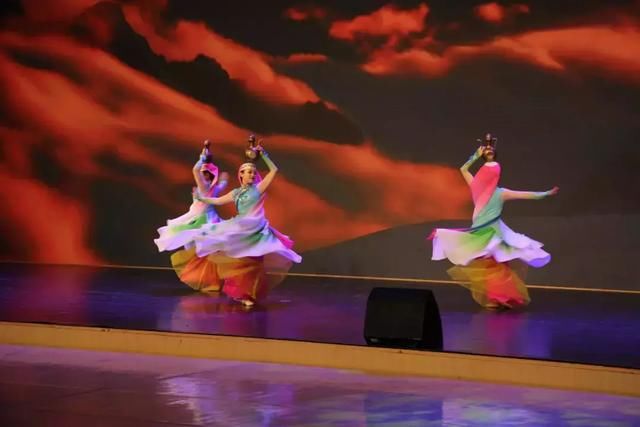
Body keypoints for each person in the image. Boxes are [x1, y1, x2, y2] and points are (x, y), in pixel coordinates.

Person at [430, 134, 558, 309]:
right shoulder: (475, 187)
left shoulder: (501, 193)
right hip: (479, 232)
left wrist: (545, 194)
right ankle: (498, 297)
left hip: (495, 232)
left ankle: (500, 297)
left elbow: (526, 195)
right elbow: (463, 170)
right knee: (488, 266)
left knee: (497, 264)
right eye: (487, 150)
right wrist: (475, 156)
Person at [189, 136, 302, 307]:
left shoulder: (258, 189)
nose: (252, 174)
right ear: (241, 174)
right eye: (249, 172)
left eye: (254, 172)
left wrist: (264, 155)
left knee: (255, 263)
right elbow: (217, 201)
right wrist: (202, 198)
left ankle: (249, 293)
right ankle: (242, 293)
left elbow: (273, 170)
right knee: (242, 262)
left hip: (256, 231)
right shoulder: (236, 193)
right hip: (241, 229)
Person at [154, 141, 229, 292]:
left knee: (197, 248)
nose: (201, 176)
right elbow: (221, 185)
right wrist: (224, 180)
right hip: (205, 218)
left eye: (204, 174)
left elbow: (195, 170)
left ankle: (206, 277)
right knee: (200, 249)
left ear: (208, 176)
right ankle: (208, 277)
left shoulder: (204, 186)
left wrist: (202, 157)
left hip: (202, 220)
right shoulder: (213, 188)